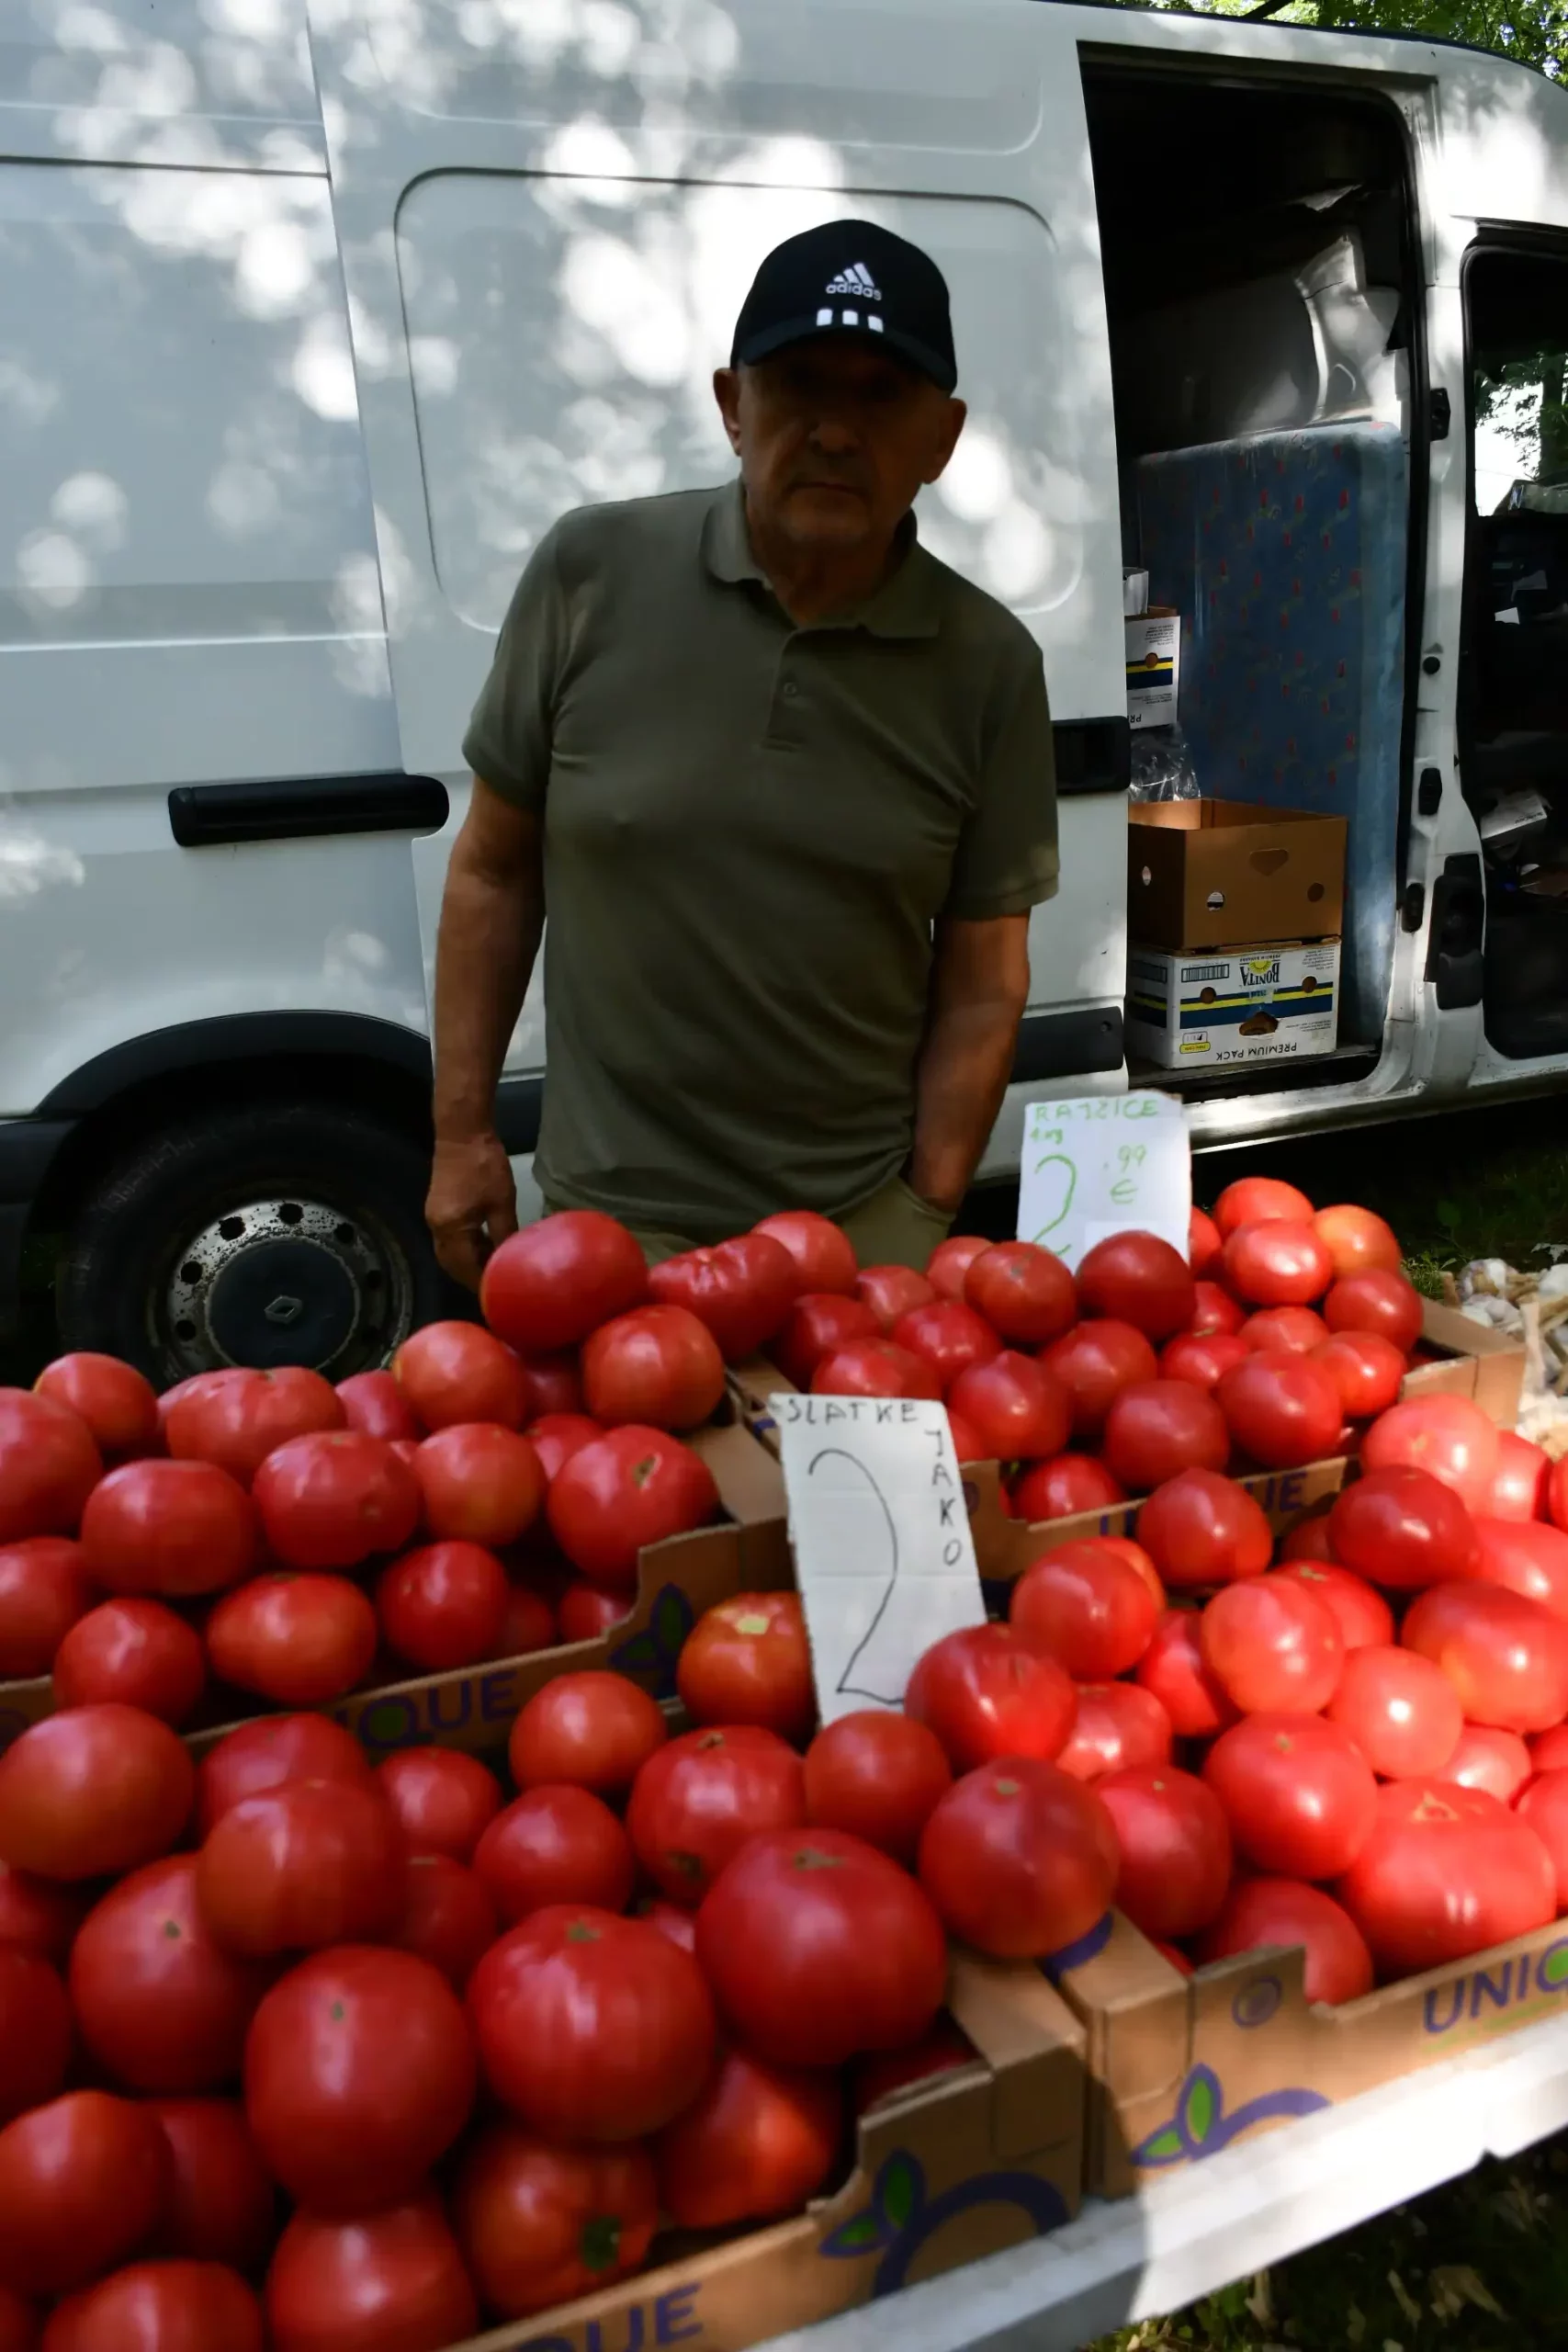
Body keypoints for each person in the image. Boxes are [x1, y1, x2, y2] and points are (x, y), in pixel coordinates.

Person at [426, 218, 1058, 1283]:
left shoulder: (989, 664)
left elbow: (986, 978)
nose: (835, 431)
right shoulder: (591, 575)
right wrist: (461, 1135)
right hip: (604, 1232)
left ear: (942, 439)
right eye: (799, 384)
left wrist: (923, 1211)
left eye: (880, 395)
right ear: (732, 406)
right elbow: (493, 869)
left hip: (849, 1245)